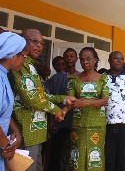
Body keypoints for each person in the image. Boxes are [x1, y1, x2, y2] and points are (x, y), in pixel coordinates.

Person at [9, 29, 76, 171]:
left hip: (37, 132)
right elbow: (31, 99)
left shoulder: (31, 66)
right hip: (25, 131)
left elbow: (41, 94)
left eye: (41, 43)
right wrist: (56, 110)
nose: (39, 46)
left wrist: (63, 99)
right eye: (34, 41)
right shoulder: (18, 66)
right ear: (22, 41)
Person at [67, 47, 109, 171]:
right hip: (78, 125)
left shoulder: (103, 78)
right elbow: (70, 100)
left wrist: (87, 102)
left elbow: (104, 100)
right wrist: (64, 110)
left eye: (88, 59)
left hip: (97, 125)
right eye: (82, 59)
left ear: (95, 60)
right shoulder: (73, 79)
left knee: (95, 158)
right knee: (76, 157)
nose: (85, 62)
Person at [44, 48, 80, 171]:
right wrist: (50, 119)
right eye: (66, 56)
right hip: (59, 120)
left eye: (71, 56)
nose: (69, 58)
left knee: (74, 153)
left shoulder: (80, 77)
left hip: (76, 121)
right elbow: (48, 99)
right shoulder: (56, 77)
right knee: (56, 152)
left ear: (76, 59)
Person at [0, 32, 28, 170]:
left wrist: (14, 129)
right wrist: (5, 146)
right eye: (24, 56)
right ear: (12, 55)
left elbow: (3, 110)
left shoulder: (4, 75)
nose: (25, 61)